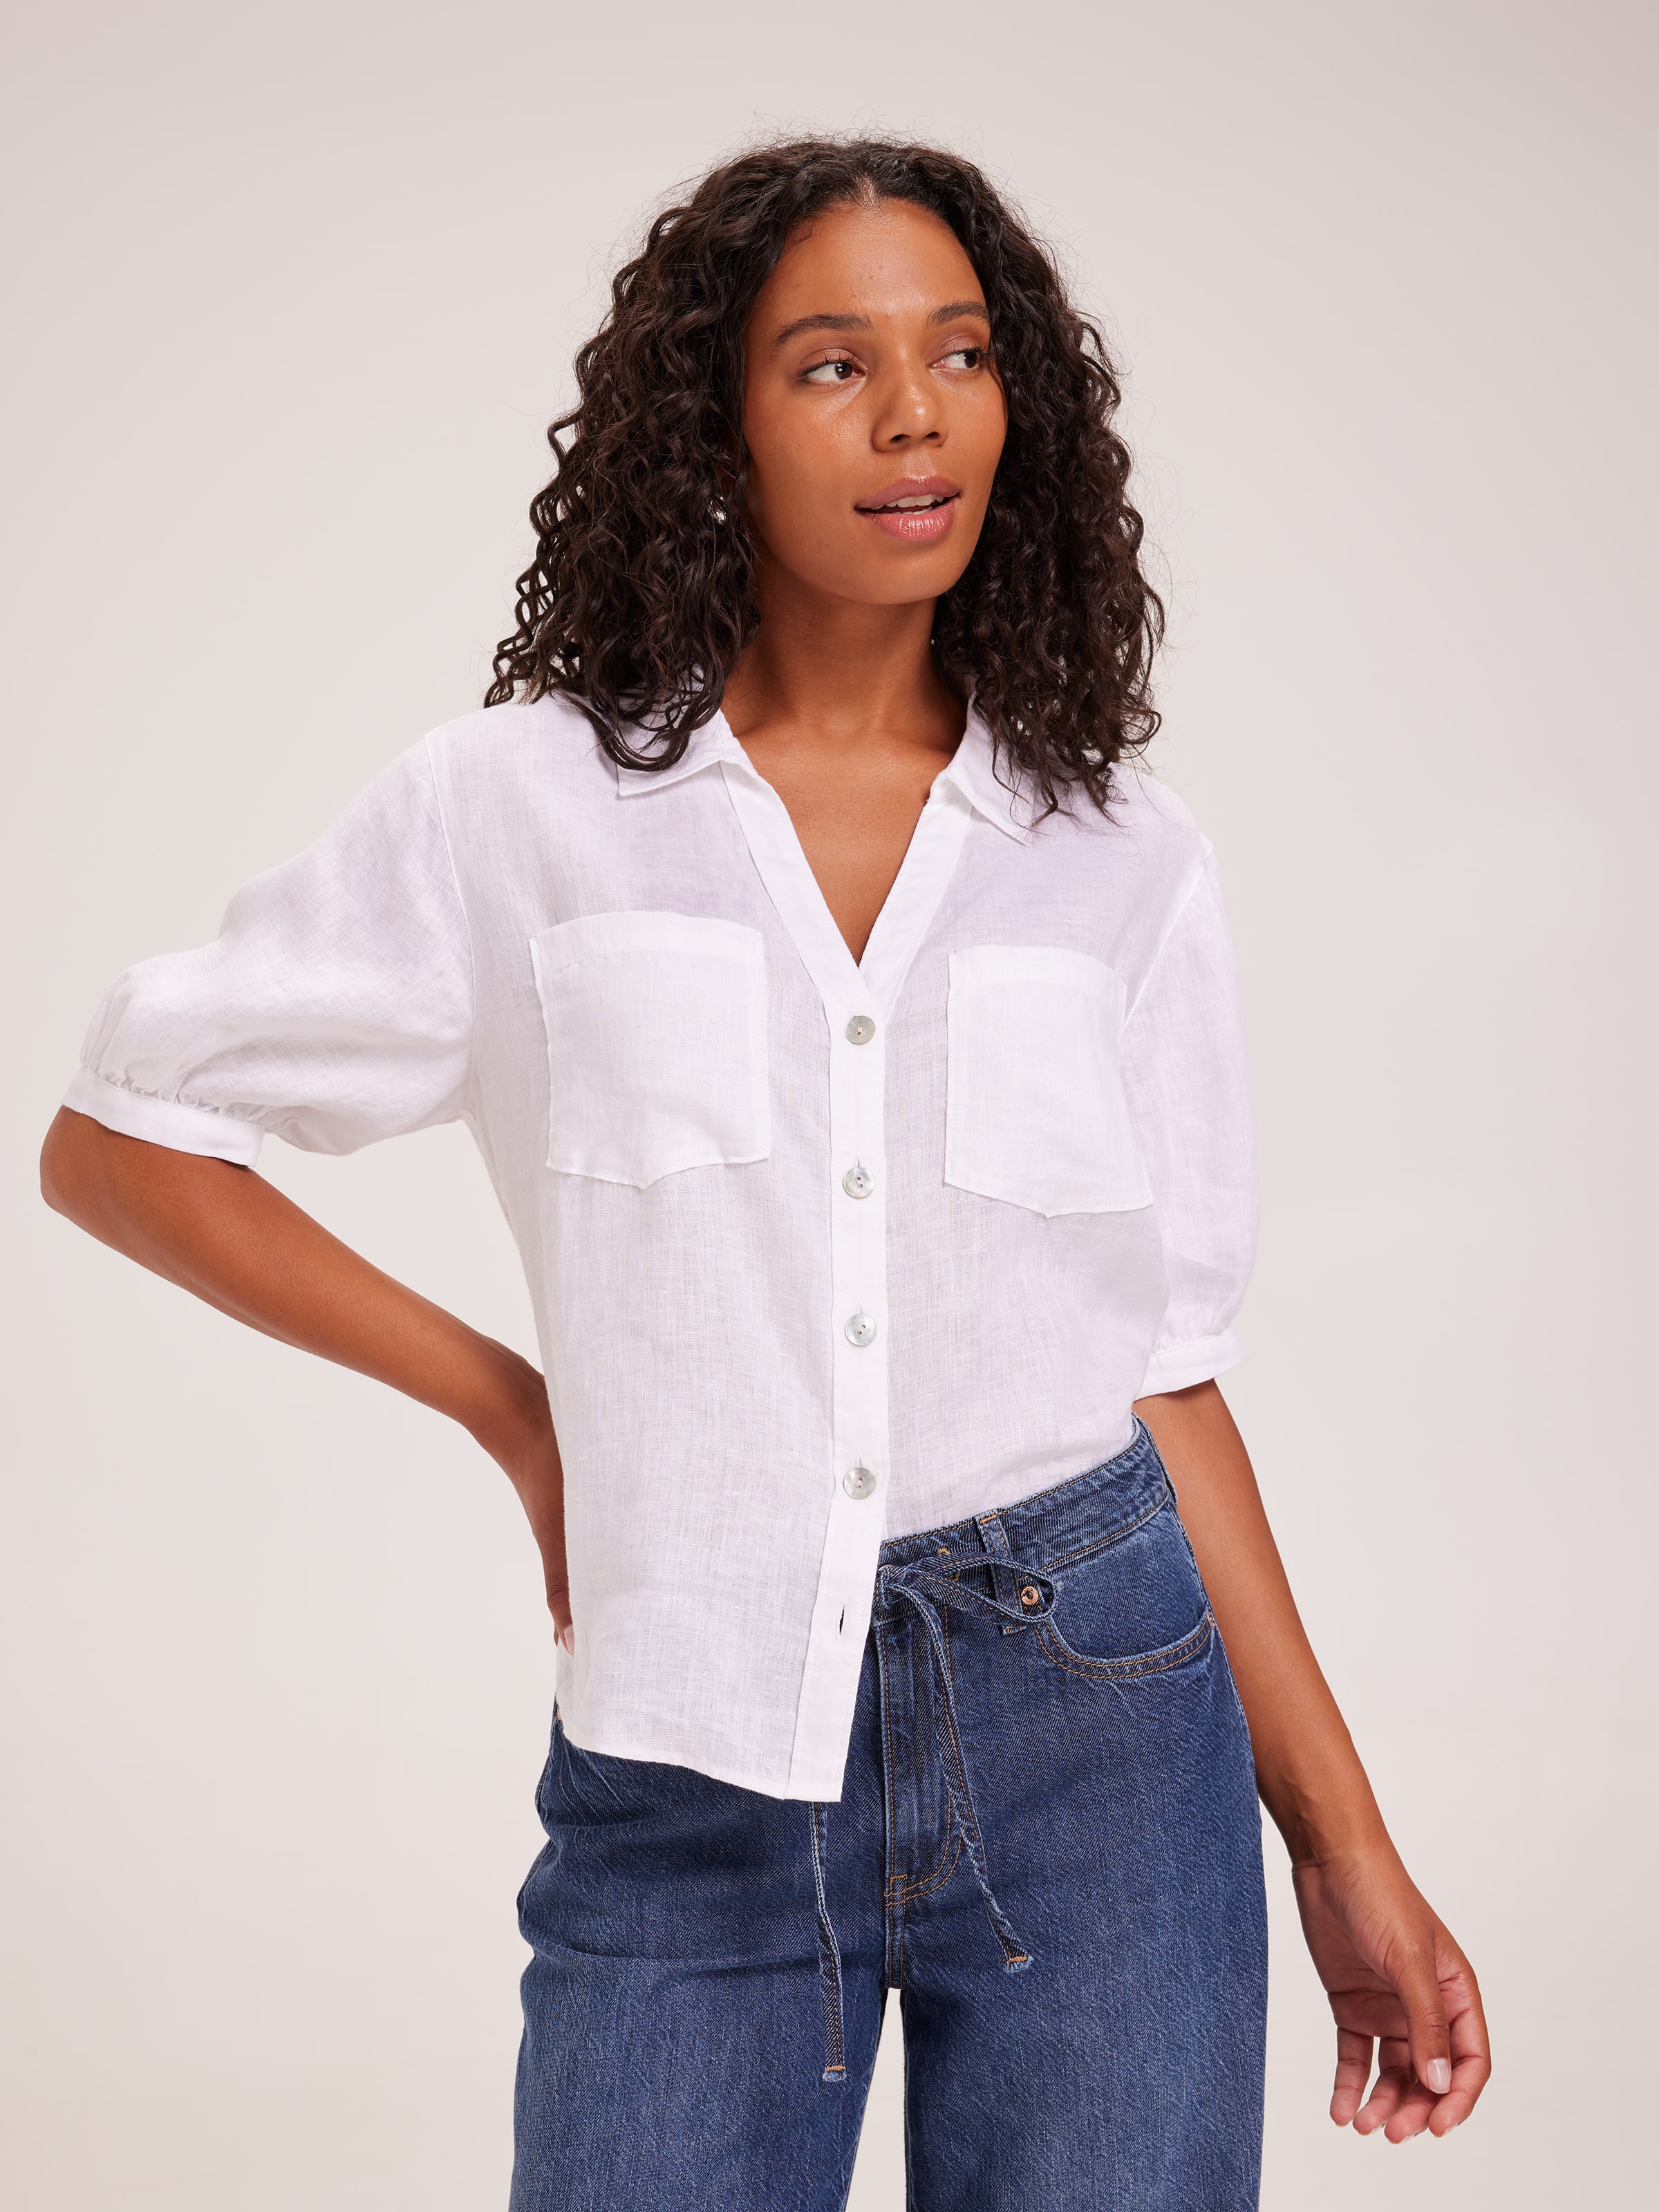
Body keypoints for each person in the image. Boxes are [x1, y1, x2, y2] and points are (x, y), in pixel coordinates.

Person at [39, 136, 1490, 2209]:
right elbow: (123, 1138)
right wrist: (514, 1407)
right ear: (711, 423)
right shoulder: (522, 809)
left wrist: (1345, 1845)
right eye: (832, 364)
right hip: (688, 1748)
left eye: (962, 354)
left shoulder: (1121, 856)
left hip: (1101, 1720)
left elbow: (1167, 1374)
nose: (916, 416)